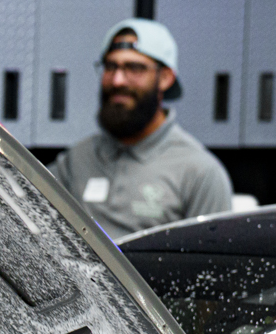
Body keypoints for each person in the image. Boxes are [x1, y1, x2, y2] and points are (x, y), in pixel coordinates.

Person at [47, 18, 234, 237]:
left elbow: (208, 266)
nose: (117, 80)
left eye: (134, 68)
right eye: (110, 66)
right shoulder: (76, 160)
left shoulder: (200, 173)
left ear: (165, 78)